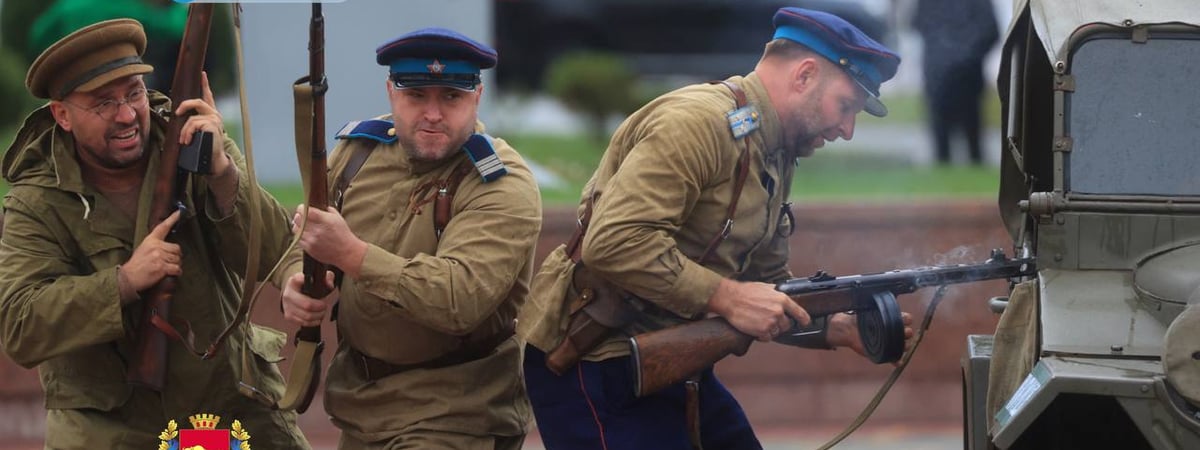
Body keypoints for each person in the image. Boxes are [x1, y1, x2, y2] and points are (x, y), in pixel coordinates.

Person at [518, 7, 914, 449]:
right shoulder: (697, 124)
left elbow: (765, 283)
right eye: (846, 106)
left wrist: (833, 327)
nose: (848, 130)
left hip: (669, 359)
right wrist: (728, 297)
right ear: (804, 76)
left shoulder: (774, 146)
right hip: (594, 358)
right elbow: (614, 242)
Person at [0, 19, 308, 449]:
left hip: (225, 407)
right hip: (112, 428)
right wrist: (124, 282)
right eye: (103, 103)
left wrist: (222, 174)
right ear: (62, 115)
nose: (127, 115)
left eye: (134, 94)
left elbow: (276, 249)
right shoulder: (37, 201)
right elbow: (20, 325)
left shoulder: (195, 142)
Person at [277, 27, 541, 449]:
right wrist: (297, 280)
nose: (433, 114)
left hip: (457, 414)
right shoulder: (359, 153)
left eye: (451, 97)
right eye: (416, 95)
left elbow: (459, 299)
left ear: (476, 97)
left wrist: (351, 253)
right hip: (361, 407)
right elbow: (309, 233)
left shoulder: (500, 183)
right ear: (390, 92)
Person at [912, 0, 999, 165]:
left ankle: (967, 165)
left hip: (958, 71)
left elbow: (990, 31)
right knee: (946, 134)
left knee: (969, 132)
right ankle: (951, 166)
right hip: (954, 70)